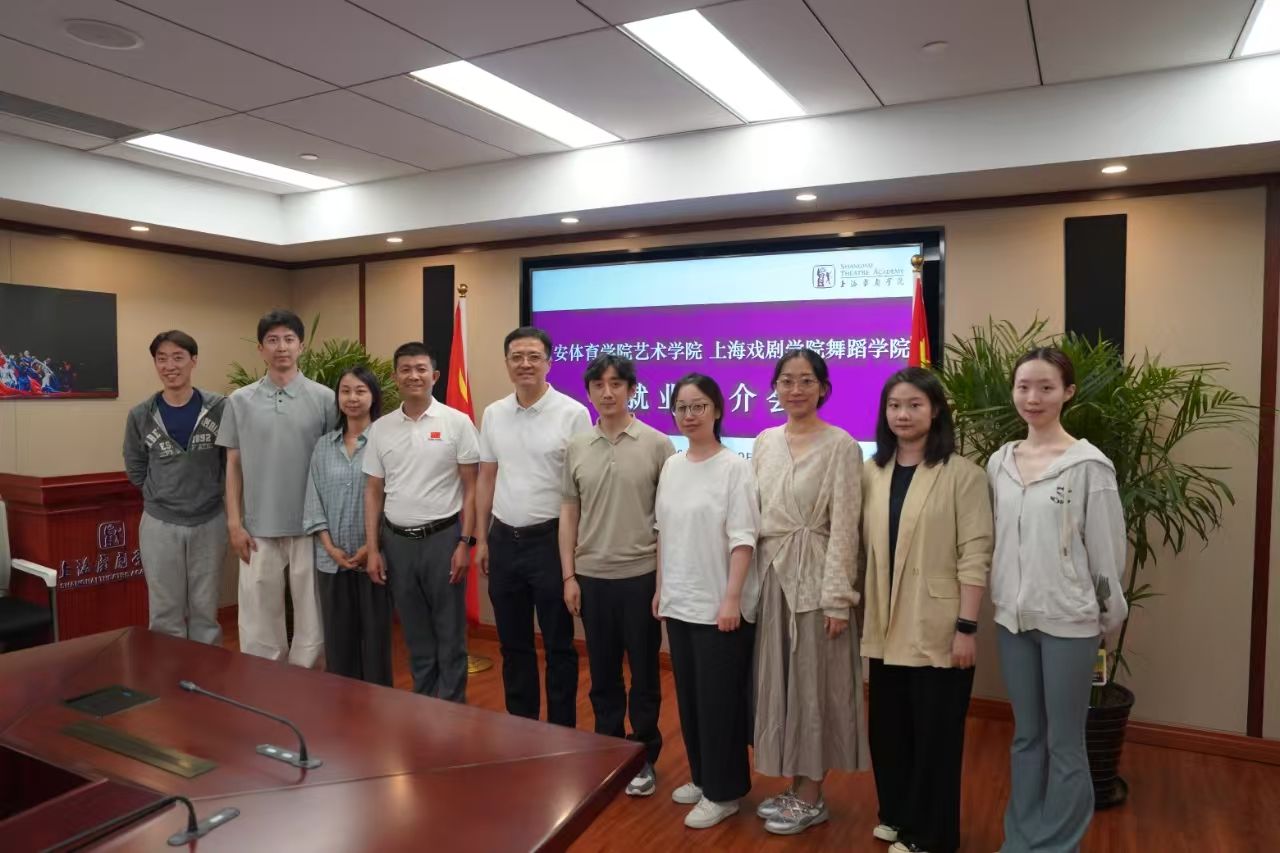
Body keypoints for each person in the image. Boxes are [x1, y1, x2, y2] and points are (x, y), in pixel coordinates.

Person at [989, 347, 1128, 853]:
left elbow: (1108, 553)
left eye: (1046, 387)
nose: (1033, 397)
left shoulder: (1089, 466)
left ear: (1067, 392)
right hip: (1012, 620)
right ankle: (1020, 839)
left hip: (1070, 622)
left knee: (1064, 742)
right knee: (1027, 737)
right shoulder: (1000, 462)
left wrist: (1106, 618)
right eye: (1024, 386)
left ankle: (1056, 845)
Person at [860, 367, 993, 853]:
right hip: (885, 620)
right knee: (889, 729)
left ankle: (932, 837)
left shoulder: (964, 475)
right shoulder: (872, 471)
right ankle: (897, 814)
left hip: (939, 625)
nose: (903, 414)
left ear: (935, 410)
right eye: (894, 405)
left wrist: (967, 627)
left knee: (935, 736)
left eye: (914, 405)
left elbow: (975, 554)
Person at [751, 347, 868, 835]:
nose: (795, 389)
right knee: (782, 686)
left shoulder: (842, 445)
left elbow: (845, 527)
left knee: (815, 687)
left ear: (823, 388)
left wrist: (838, 598)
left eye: (806, 380)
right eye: (786, 380)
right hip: (772, 577)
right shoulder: (764, 441)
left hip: (817, 582)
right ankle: (796, 781)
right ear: (775, 388)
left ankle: (813, 793)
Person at [560, 353, 674, 797]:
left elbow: (667, 520)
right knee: (603, 674)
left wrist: (663, 583)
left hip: (641, 575)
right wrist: (569, 576)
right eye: (598, 385)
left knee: (644, 674)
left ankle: (643, 756)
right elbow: (569, 513)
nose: (607, 393)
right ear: (589, 392)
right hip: (591, 576)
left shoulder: (657, 444)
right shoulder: (576, 446)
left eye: (616, 384)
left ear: (632, 390)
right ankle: (608, 751)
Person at [654, 374, 760, 829]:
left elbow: (744, 538)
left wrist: (732, 598)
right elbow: (664, 532)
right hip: (680, 600)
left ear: (717, 410)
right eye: (682, 407)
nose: (689, 414)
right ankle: (702, 778)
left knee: (720, 704)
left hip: (720, 607)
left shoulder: (735, 467)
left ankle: (725, 791)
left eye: (698, 406)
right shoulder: (672, 465)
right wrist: (661, 587)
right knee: (692, 700)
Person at [475, 327, 590, 726]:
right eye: (517, 357)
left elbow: (581, 487)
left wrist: (574, 551)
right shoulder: (494, 413)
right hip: (504, 539)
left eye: (533, 356)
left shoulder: (573, 413)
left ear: (549, 363)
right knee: (513, 644)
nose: (525, 364)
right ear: (507, 363)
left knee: (559, 644)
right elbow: (487, 477)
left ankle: (561, 732)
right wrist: (482, 538)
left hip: (551, 542)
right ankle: (520, 727)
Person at [217, 309, 335, 667]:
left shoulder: (325, 398)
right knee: (257, 616)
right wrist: (234, 524)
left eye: (288, 339)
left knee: (312, 616)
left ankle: (308, 682)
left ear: (301, 346)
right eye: (272, 340)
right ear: (260, 349)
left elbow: (334, 461)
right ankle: (262, 682)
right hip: (257, 526)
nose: (281, 347)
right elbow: (233, 465)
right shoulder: (239, 400)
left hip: (311, 524)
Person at [364, 342, 479, 703]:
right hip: (397, 543)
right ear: (395, 376)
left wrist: (465, 542)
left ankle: (453, 708)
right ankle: (424, 705)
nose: (413, 376)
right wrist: (373, 549)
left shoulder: (457, 422)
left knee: (450, 632)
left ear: (435, 375)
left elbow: (471, 487)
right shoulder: (381, 428)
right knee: (414, 633)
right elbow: (373, 491)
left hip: (443, 539)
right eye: (405, 369)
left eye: (420, 369)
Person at [123, 330, 228, 645]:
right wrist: (159, 493)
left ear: (193, 361)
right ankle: (167, 670)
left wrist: (212, 490)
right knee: (164, 609)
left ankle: (206, 667)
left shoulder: (219, 408)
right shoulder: (141, 414)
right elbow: (135, 464)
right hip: (160, 523)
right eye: (162, 359)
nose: (170, 366)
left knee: (205, 607)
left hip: (210, 520)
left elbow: (230, 460)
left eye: (178, 357)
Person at [302, 365, 392, 685]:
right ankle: (342, 706)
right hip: (333, 560)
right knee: (338, 643)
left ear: (373, 396)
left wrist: (373, 545)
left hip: (375, 559)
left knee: (376, 643)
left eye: (360, 391)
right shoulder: (324, 445)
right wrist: (329, 547)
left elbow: (393, 499)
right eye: (345, 391)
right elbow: (313, 499)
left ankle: (379, 705)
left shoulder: (387, 441)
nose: (352, 398)